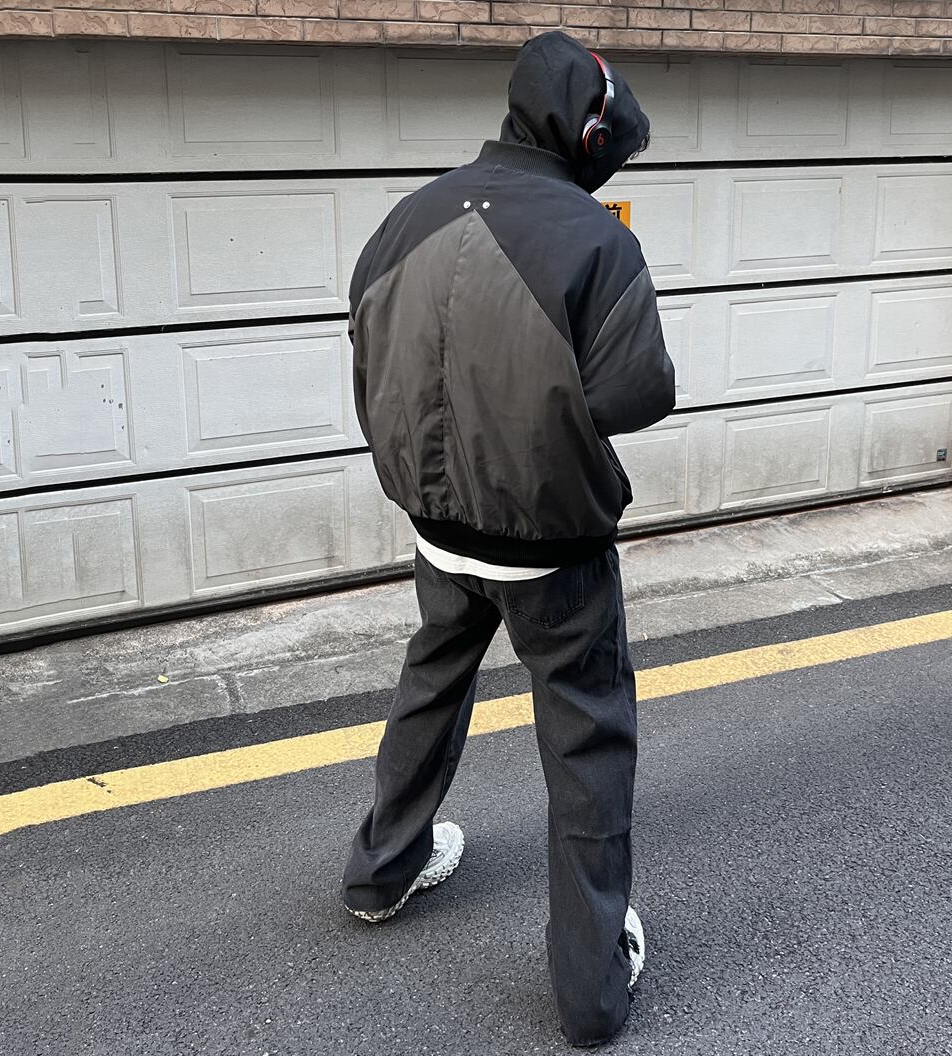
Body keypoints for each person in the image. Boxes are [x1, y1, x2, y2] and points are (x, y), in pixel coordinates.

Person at [341, 29, 676, 1047]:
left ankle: (380, 870)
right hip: (548, 544)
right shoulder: (595, 241)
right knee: (586, 735)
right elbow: (637, 393)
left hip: (439, 528)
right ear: (590, 131)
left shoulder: (408, 217)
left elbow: (367, 340)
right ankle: (591, 990)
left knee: (432, 682)